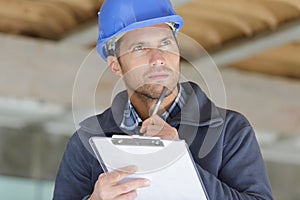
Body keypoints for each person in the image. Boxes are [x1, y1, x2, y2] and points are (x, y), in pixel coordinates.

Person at [53, 0, 274, 199]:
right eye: (140, 48)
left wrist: (178, 160)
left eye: (165, 43)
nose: (158, 58)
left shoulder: (230, 130)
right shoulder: (86, 142)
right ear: (116, 66)